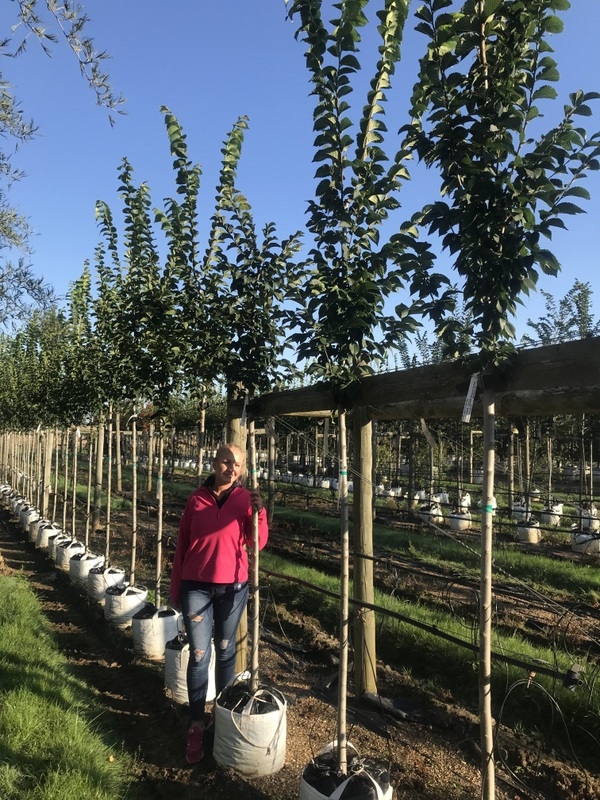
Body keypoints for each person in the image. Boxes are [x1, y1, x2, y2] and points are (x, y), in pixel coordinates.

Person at [169, 442, 268, 764]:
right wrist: (175, 588)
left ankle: (222, 715)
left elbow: (257, 543)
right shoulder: (196, 498)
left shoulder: (245, 500)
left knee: (226, 649)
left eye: (237, 464)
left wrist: (259, 513)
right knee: (199, 655)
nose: (231, 468)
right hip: (195, 586)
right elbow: (183, 542)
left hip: (232, 587)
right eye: (226, 462)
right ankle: (197, 722)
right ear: (214, 463)